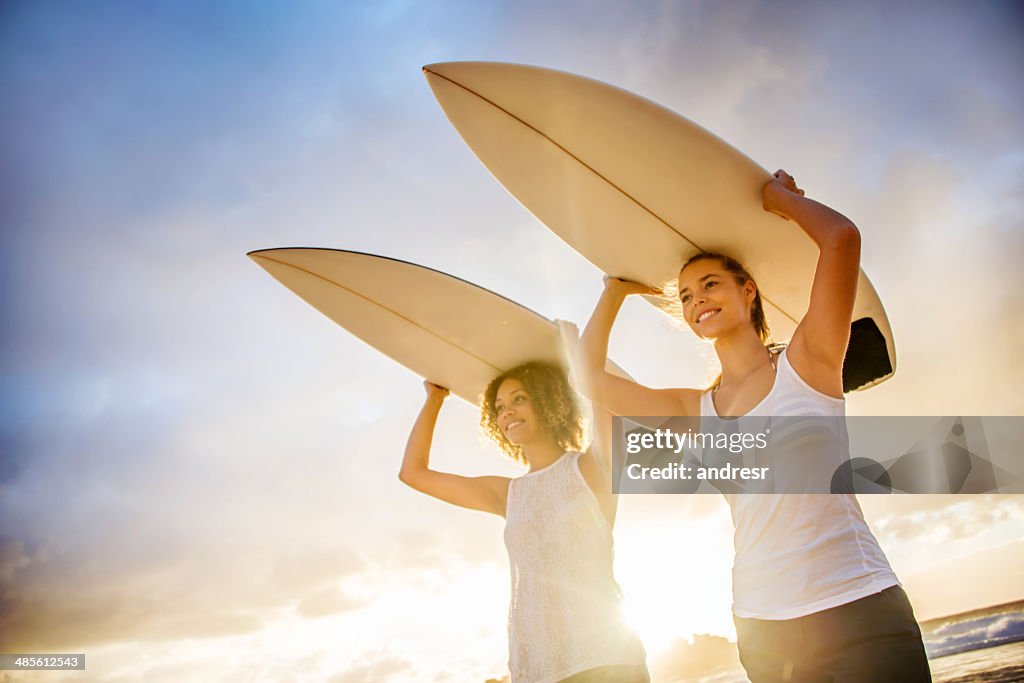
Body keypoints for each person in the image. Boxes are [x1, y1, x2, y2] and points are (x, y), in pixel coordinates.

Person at [575, 170, 931, 682]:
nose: (698, 300)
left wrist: (780, 201)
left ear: (749, 292)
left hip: (858, 605)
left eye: (710, 284)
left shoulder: (809, 362)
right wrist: (614, 293)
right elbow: (589, 378)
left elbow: (841, 240)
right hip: (766, 628)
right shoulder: (693, 411)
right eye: (688, 297)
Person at [399, 359, 648, 683]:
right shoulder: (507, 493)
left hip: (606, 657)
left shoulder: (591, 466)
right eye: (500, 407)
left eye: (519, 399)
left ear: (549, 399)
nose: (507, 413)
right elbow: (413, 473)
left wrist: (580, 359)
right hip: (539, 666)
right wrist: (434, 400)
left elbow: (606, 394)